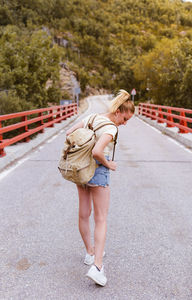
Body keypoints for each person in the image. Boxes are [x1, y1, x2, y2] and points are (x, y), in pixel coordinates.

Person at [66, 90, 135, 286]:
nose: (125, 123)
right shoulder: (111, 128)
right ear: (119, 111)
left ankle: (89, 252)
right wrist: (108, 163)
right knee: (101, 219)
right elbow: (97, 151)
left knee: (83, 214)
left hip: (80, 170)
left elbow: (70, 133)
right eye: (125, 118)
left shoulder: (92, 117)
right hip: (97, 171)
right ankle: (97, 267)